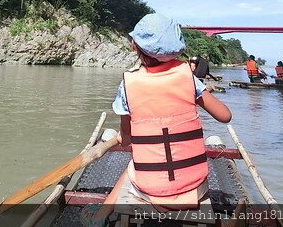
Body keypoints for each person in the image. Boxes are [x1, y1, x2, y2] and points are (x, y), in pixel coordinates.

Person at [86, 13, 232, 226]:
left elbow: (126, 140)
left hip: (149, 189)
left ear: (135, 46)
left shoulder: (128, 85)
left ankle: (99, 217)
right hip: (194, 185)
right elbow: (225, 116)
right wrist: (200, 93)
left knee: (132, 167)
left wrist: (111, 142)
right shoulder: (188, 77)